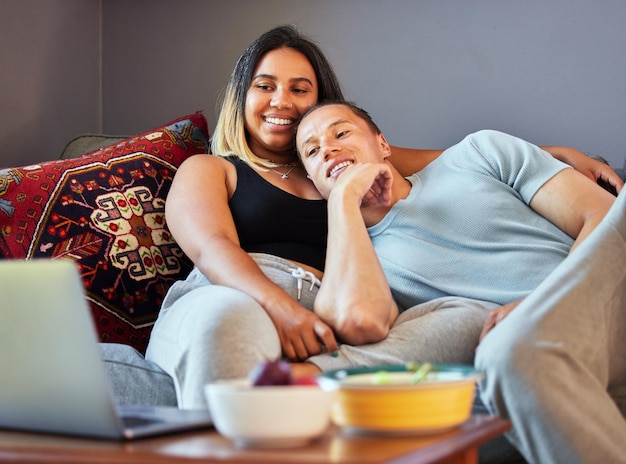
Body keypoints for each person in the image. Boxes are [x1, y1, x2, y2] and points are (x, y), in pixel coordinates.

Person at [118, 25, 619, 411]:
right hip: (239, 292)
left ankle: (312, 390)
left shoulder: (334, 162)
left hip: (336, 314)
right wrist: (278, 306)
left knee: (468, 321)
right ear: (241, 96)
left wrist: (555, 155)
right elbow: (211, 248)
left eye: (300, 89)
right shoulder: (213, 167)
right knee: (227, 329)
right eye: (265, 86)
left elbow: (447, 157)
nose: (282, 102)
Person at [294, 100, 624, 463]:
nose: (328, 148)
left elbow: (601, 215)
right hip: (527, 363)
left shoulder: (476, 152)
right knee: (501, 362)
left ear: (383, 145)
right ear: (311, 181)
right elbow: (358, 319)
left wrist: (540, 303)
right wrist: (342, 198)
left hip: (601, 301)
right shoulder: (362, 260)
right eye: (312, 151)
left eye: (341, 133)